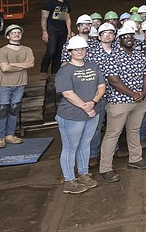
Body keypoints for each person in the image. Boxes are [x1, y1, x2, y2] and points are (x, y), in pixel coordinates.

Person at [97, 22, 146, 182]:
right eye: (124, 36)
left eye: (130, 36)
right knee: (112, 134)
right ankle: (105, 169)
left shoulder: (138, 53)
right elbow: (113, 80)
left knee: (134, 130)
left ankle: (135, 159)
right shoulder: (113, 55)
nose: (128, 38)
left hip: (139, 100)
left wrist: (143, 92)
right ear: (119, 38)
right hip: (119, 101)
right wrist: (133, 94)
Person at [54, 35, 105, 194]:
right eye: (76, 49)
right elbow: (67, 94)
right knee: (70, 147)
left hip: (91, 112)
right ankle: (69, 180)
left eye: (82, 49)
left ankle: (83, 174)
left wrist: (93, 103)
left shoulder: (93, 66)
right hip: (72, 115)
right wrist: (86, 107)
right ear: (70, 51)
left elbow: (101, 86)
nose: (79, 51)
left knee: (85, 144)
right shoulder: (64, 71)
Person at [0, 24, 34, 149]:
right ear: (8, 36)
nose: (17, 35)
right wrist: (23, 64)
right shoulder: (2, 51)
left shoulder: (27, 49)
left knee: (14, 109)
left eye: (19, 32)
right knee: (2, 110)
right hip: (4, 85)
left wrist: (11, 64)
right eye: (13, 33)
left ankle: (10, 134)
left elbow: (31, 64)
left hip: (20, 83)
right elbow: (4, 68)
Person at [40, 0, 73, 76]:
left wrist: (69, 32)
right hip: (52, 30)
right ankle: (43, 70)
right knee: (51, 51)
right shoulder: (49, 3)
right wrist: (44, 32)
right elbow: (44, 18)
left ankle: (55, 72)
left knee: (59, 52)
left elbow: (67, 18)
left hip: (62, 31)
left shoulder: (66, 4)